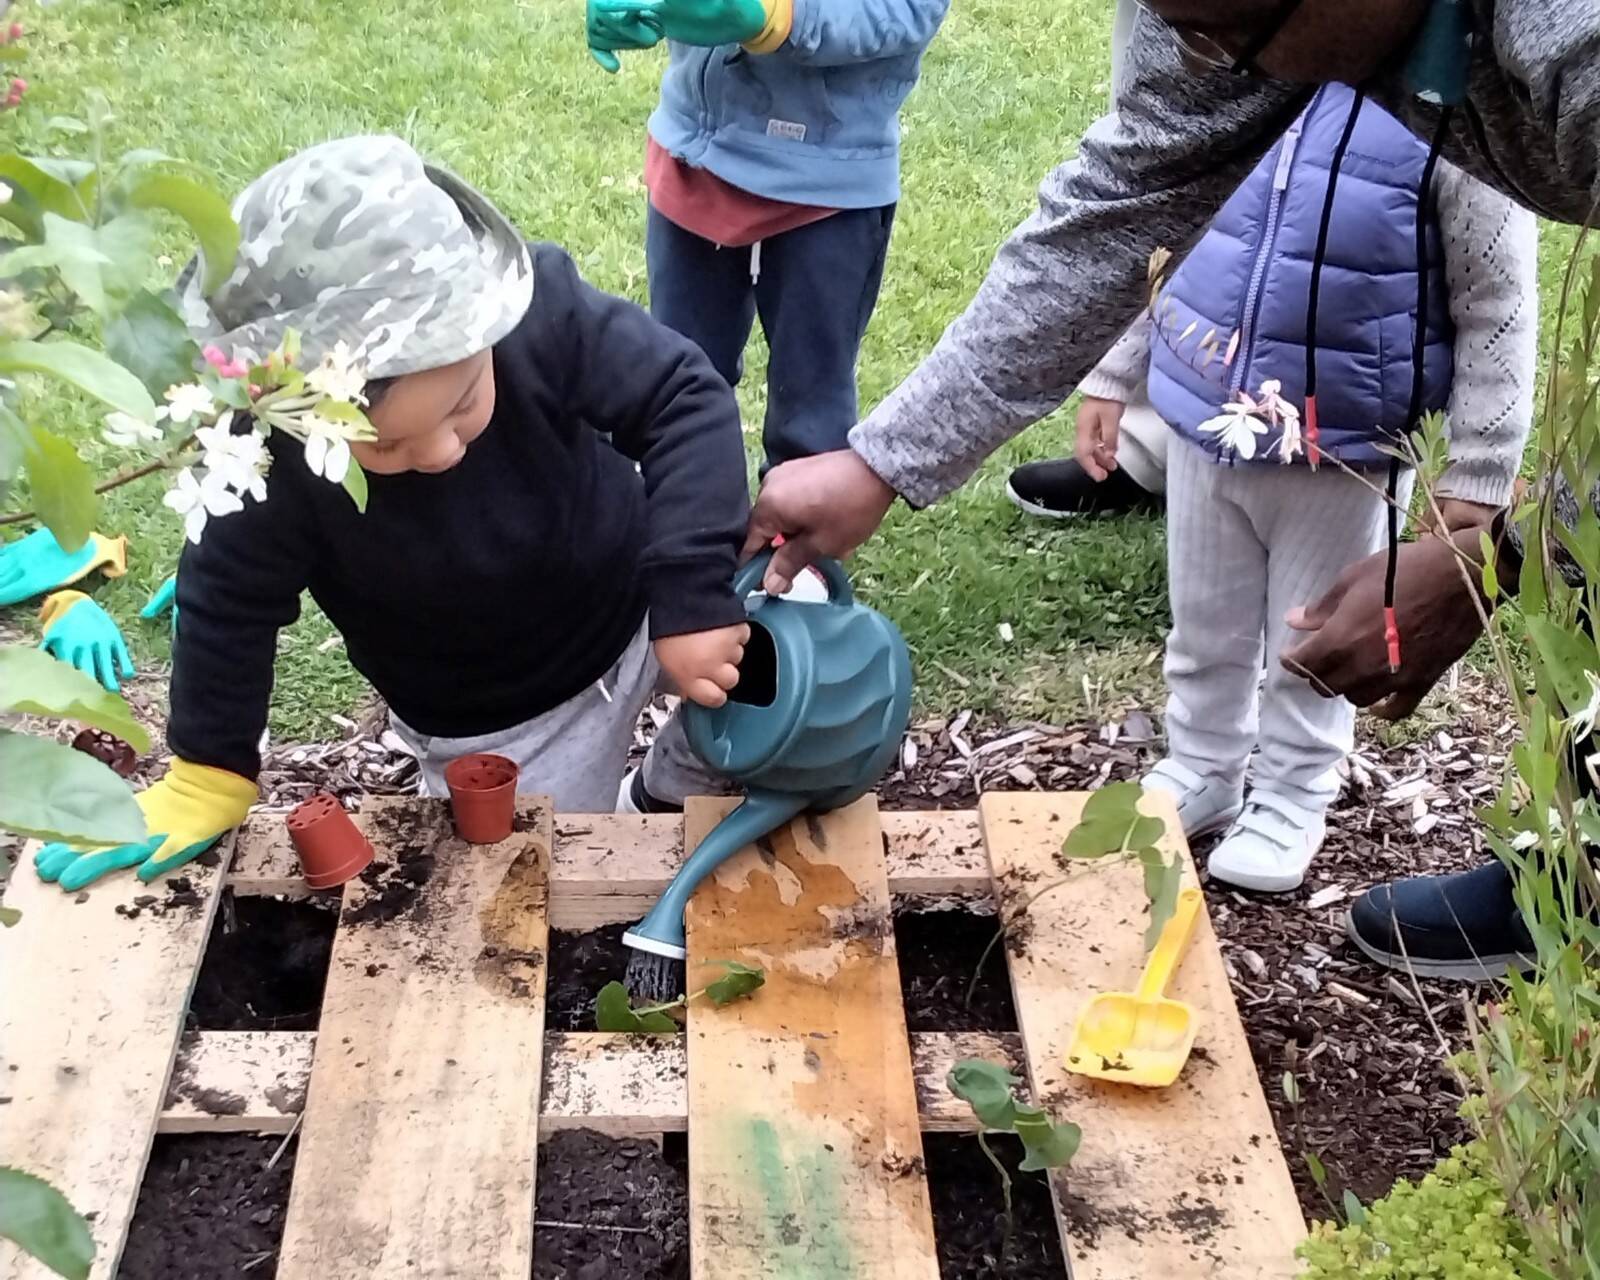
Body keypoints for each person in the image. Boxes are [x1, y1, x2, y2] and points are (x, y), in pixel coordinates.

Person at [740, 0, 1600, 968]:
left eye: (1205, 19)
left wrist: (1508, 559)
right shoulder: (1229, 17)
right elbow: (1124, 199)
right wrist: (882, 461)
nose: (1190, 50)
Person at [31, 136, 753, 892]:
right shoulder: (268, 456)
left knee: (810, 676)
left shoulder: (531, 311)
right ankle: (627, 806)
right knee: (519, 884)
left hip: (640, 600)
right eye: (387, 447)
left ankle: (668, 785)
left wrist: (690, 594)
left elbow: (682, 397)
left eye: (466, 402)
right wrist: (211, 770)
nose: (442, 452)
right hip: (506, 717)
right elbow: (226, 598)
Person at [1074, 86, 1534, 893]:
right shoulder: (1234, 86)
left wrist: (1479, 475)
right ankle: (1203, 764)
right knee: (1204, 621)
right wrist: (1116, 372)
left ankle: (1294, 789)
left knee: (1314, 634)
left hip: (1344, 447)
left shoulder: (1452, 114)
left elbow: (1497, 302)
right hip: (1202, 418)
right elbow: (1161, 233)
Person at [587, 0, 950, 471]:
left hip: (824, 189)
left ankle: (794, 541)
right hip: (693, 157)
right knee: (676, 378)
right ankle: (676, 516)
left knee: (810, 407)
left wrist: (783, 17)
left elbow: (906, 10)